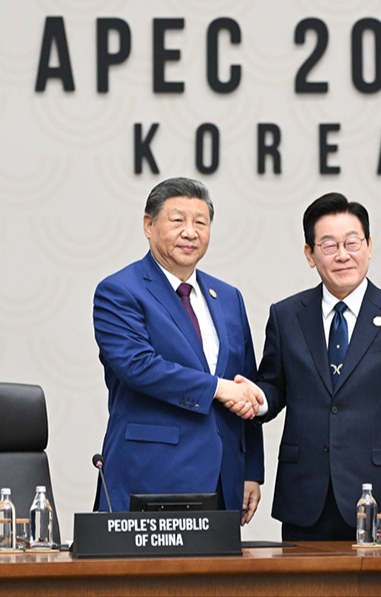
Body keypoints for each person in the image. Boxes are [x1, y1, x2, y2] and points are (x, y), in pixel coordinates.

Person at [256, 192, 381, 541]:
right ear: (310, 254)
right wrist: (254, 399)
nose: (342, 255)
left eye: (352, 242)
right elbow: (274, 386)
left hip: (378, 495)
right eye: (329, 245)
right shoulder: (286, 316)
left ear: (369, 246)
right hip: (305, 497)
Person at [92, 177, 264, 525]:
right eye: (177, 220)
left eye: (200, 222)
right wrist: (217, 388)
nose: (190, 232)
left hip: (223, 480)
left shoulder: (228, 297)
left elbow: (244, 385)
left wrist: (251, 471)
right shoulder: (119, 291)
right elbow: (138, 366)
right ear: (148, 225)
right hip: (151, 475)